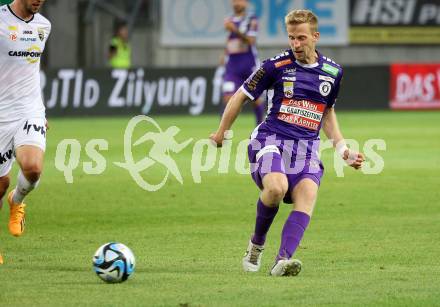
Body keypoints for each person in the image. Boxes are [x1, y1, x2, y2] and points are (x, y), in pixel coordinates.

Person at [210, 9, 365, 276]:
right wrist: (221, 131)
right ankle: (256, 246)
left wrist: (343, 149)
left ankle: (283, 261)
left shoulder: (333, 72)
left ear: (315, 37)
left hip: (306, 148)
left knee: (307, 195)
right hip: (270, 139)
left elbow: (326, 112)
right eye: (292, 38)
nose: (295, 44)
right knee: (276, 188)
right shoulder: (275, 66)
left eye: (301, 38)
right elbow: (240, 96)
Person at [0, 0, 51, 243]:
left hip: (30, 110)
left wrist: (40, 114)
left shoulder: (44, 26)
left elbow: (29, 72)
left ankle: (17, 201)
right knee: (1, 184)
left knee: (33, 168)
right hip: (1, 114)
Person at [222, 0, 265, 125]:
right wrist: (224, 54)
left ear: (245, 3)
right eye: (234, 1)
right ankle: (223, 133)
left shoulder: (251, 19)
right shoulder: (229, 19)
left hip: (249, 65)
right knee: (228, 98)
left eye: (240, 1)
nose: (237, 3)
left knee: (255, 99)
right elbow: (231, 41)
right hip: (232, 67)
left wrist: (234, 29)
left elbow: (251, 40)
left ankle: (260, 129)